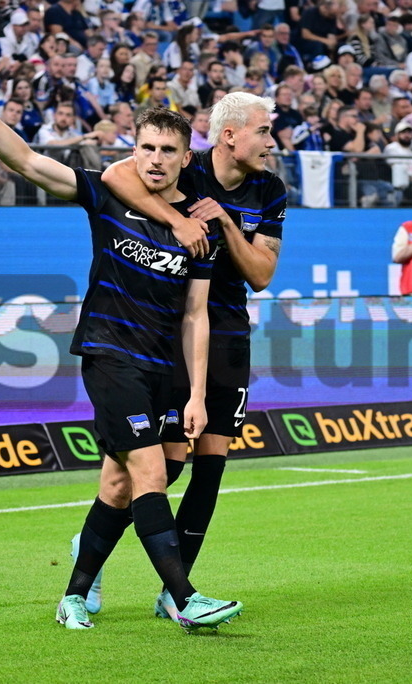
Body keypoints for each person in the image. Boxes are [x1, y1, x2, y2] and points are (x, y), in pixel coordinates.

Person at [0, 72, 243, 633]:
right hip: (109, 356)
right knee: (151, 472)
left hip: (165, 369)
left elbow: (195, 316)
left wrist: (198, 394)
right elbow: (28, 161)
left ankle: (74, 596)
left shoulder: (201, 227)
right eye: (147, 148)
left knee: (118, 485)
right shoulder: (108, 194)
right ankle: (185, 598)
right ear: (135, 150)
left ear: (187, 158)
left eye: (168, 151)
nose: (155, 160)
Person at [99, 91, 285, 622]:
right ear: (231, 136)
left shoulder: (269, 190)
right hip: (178, 331)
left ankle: (174, 594)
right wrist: (178, 221)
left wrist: (225, 223)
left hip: (229, 336)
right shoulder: (187, 165)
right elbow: (117, 174)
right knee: (163, 468)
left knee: (211, 466)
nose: (270, 143)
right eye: (264, 131)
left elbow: (262, 274)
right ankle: (91, 550)